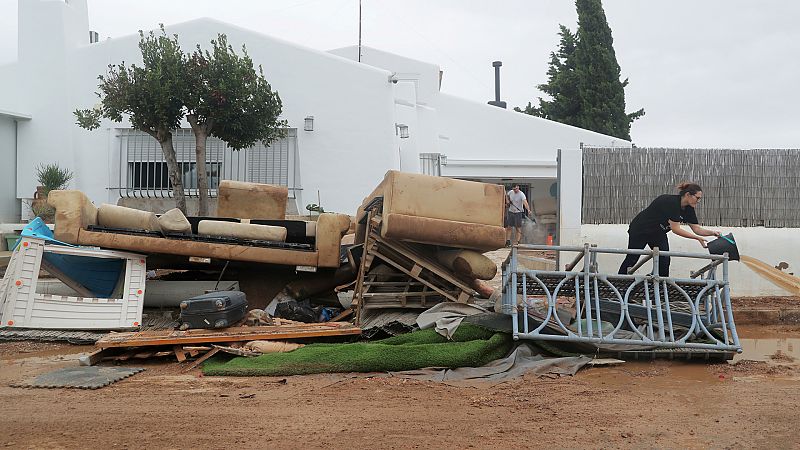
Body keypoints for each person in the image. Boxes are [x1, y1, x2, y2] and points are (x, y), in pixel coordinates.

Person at [618, 182, 720, 276]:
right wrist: (697, 238)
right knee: (632, 257)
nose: (698, 201)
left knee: (665, 258)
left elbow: (696, 228)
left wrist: (712, 233)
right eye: (697, 198)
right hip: (640, 230)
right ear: (688, 195)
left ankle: (662, 286)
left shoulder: (689, 208)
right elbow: (676, 229)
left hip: (658, 233)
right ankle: (620, 283)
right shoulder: (670, 202)